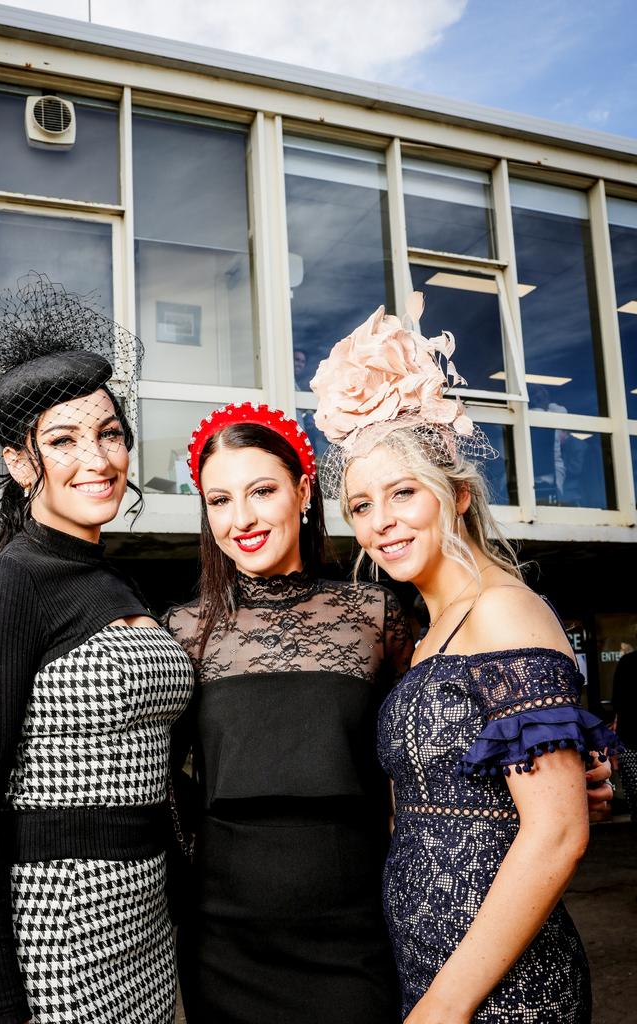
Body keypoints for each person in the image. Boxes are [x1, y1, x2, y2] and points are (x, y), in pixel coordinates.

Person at [311, 294, 621, 1023]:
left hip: (500, 991)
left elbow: (558, 831)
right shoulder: (430, 630)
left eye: (401, 493)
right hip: (426, 968)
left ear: (453, 495)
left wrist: (446, 1006)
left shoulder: (503, 609)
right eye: (359, 506)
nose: (379, 521)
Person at [0, 275, 194, 1024]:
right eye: (64, 439)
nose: (98, 458)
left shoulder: (113, 580)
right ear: (21, 462)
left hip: (141, 927)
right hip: (49, 936)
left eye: (109, 433)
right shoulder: (5, 585)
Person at [165, 401, 413, 1023]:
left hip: (356, 926)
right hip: (225, 936)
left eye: (261, 490)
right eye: (219, 500)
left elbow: (422, 758)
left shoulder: (376, 615)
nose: (240, 518)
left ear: (303, 492)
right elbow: (159, 782)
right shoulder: (183, 629)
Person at [612, 647, 637, 819]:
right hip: (629, 734)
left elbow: (617, 701)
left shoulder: (627, 662)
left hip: (630, 736)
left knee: (634, 794)